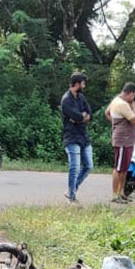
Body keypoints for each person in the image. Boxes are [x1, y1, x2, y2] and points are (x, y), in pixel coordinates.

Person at [61, 72, 93, 203]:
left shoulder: (81, 97)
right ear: (77, 84)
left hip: (83, 136)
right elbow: (77, 116)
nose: (84, 86)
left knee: (88, 166)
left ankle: (72, 189)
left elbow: (89, 113)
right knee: (74, 167)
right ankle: (72, 196)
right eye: (83, 83)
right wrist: (81, 117)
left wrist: (81, 118)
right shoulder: (66, 100)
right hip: (71, 137)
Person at [105, 82, 135, 203]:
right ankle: (115, 194)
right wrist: (133, 106)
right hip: (122, 140)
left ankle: (121, 192)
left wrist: (115, 124)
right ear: (130, 93)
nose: (133, 99)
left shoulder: (115, 100)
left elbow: (107, 113)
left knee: (125, 167)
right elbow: (134, 120)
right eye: (133, 96)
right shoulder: (122, 104)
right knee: (118, 168)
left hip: (127, 139)